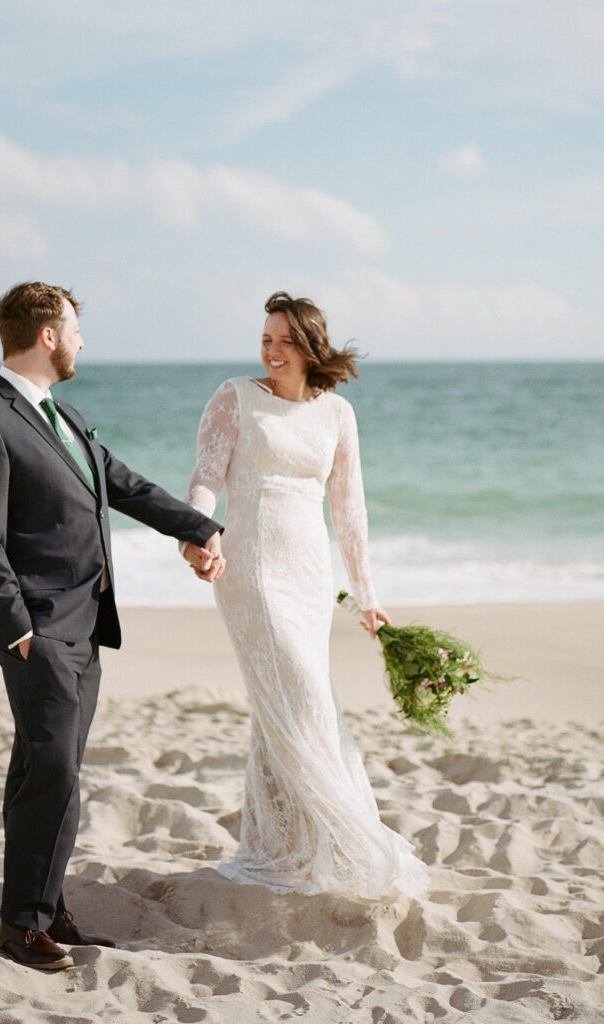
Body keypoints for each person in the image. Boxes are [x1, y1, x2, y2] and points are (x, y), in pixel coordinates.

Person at [0, 282, 224, 971]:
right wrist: (16, 628)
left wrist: (199, 528)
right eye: (75, 329)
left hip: (86, 622)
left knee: (48, 771)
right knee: (51, 773)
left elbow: (123, 486)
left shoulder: (63, 415)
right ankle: (22, 928)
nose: (81, 341)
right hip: (37, 631)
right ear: (47, 335)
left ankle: (44, 907)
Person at [181, 291, 429, 900]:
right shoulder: (234, 397)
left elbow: (349, 511)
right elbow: (206, 477)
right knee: (303, 695)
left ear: (311, 347)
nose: (272, 351)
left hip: (310, 573)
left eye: (285, 341)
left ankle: (281, 846)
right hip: (250, 568)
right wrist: (196, 532)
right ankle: (348, 840)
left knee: (286, 703)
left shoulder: (337, 414)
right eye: (266, 339)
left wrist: (366, 595)